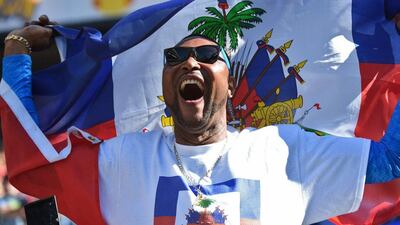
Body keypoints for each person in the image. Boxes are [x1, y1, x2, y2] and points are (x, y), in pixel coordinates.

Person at [2, 16, 400, 225]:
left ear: (229, 86)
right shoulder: (122, 161)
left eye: (209, 55)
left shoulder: (283, 149)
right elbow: (33, 161)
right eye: (174, 59)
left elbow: (389, 160)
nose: (191, 61)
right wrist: (16, 50)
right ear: (165, 89)